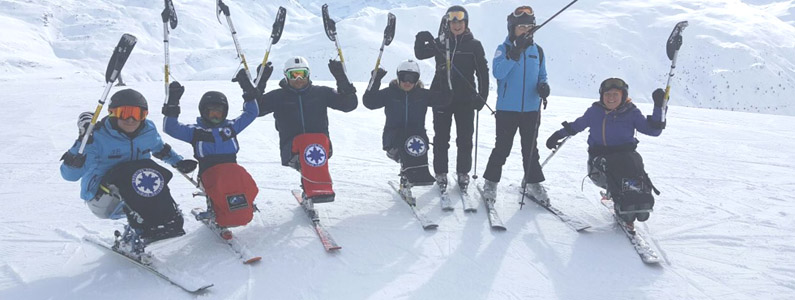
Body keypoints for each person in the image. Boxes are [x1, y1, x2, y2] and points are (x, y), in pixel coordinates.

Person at [60, 89, 196, 251]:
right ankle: (143, 229)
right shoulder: (97, 137)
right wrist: (81, 143)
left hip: (136, 188)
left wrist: (178, 162)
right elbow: (69, 175)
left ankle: (170, 221)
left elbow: (160, 149)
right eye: (124, 113)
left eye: (138, 114)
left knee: (155, 173)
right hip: (101, 197)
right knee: (133, 170)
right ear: (113, 113)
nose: (131, 119)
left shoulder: (148, 130)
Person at [546, 78, 666, 224]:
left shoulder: (631, 112)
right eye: (607, 94)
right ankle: (623, 201)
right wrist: (558, 135)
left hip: (626, 160)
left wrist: (659, 106)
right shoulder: (595, 112)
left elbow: (654, 130)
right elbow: (577, 126)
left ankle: (637, 200)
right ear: (602, 96)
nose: (611, 98)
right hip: (599, 165)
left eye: (615, 94)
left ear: (623, 96)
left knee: (633, 161)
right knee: (615, 165)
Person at [161, 67, 266, 231]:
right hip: (210, 173)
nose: (216, 117)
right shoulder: (195, 132)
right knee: (222, 186)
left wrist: (247, 89)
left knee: (245, 181)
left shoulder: (231, 128)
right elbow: (171, 128)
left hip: (232, 169)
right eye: (211, 113)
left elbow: (252, 113)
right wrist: (173, 103)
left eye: (219, 113)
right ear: (203, 112)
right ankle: (218, 210)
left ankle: (242, 206)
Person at [255, 56, 357, 207]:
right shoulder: (278, 97)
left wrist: (342, 79)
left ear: (308, 74)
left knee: (313, 142)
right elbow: (254, 110)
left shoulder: (321, 93)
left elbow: (349, 105)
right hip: (291, 150)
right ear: (286, 76)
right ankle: (315, 189)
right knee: (307, 142)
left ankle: (315, 188)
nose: (298, 79)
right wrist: (260, 82)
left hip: (320, 149)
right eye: (293, 75)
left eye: (301, 74)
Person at [414, 5, 489, 190]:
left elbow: (483, 72)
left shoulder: (474, 45)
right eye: (452, 22)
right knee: (441, 138)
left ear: (466, 23)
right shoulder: (441, 42)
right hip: (440, 97)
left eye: (460, 21)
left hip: (466, 99)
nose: (456, 25)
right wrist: (420, 39)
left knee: (465, 138)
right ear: (448, 23)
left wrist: (483, 95)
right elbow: (421, 54)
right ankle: (441, 173)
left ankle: (463, 173)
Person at [481, 6, 552, 204]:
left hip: (531, 109)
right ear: (512, 28)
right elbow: (498, 73)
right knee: (502, 148)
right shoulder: (503, 49)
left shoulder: (538, 51)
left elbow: (542, 74)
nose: (526, 29)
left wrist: (543, 86)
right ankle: (491, 182)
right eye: (521, 26)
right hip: (507, 109)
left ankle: (532, 182)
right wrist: (515, 53)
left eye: (529, 26)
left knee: (530, 149)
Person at [363, 59, 452, 200]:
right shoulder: (390, 94)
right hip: (393, 140)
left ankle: (412, 179)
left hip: (416, 140)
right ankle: (406, 180)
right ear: (398, 77)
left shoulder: (422, 95)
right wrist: (375, 80)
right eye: (404, 77)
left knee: (416, 140)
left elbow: (445, 100)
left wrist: (443, 78)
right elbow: (369, 102)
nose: (408, 82)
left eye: (412, 79)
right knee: (407, 141)